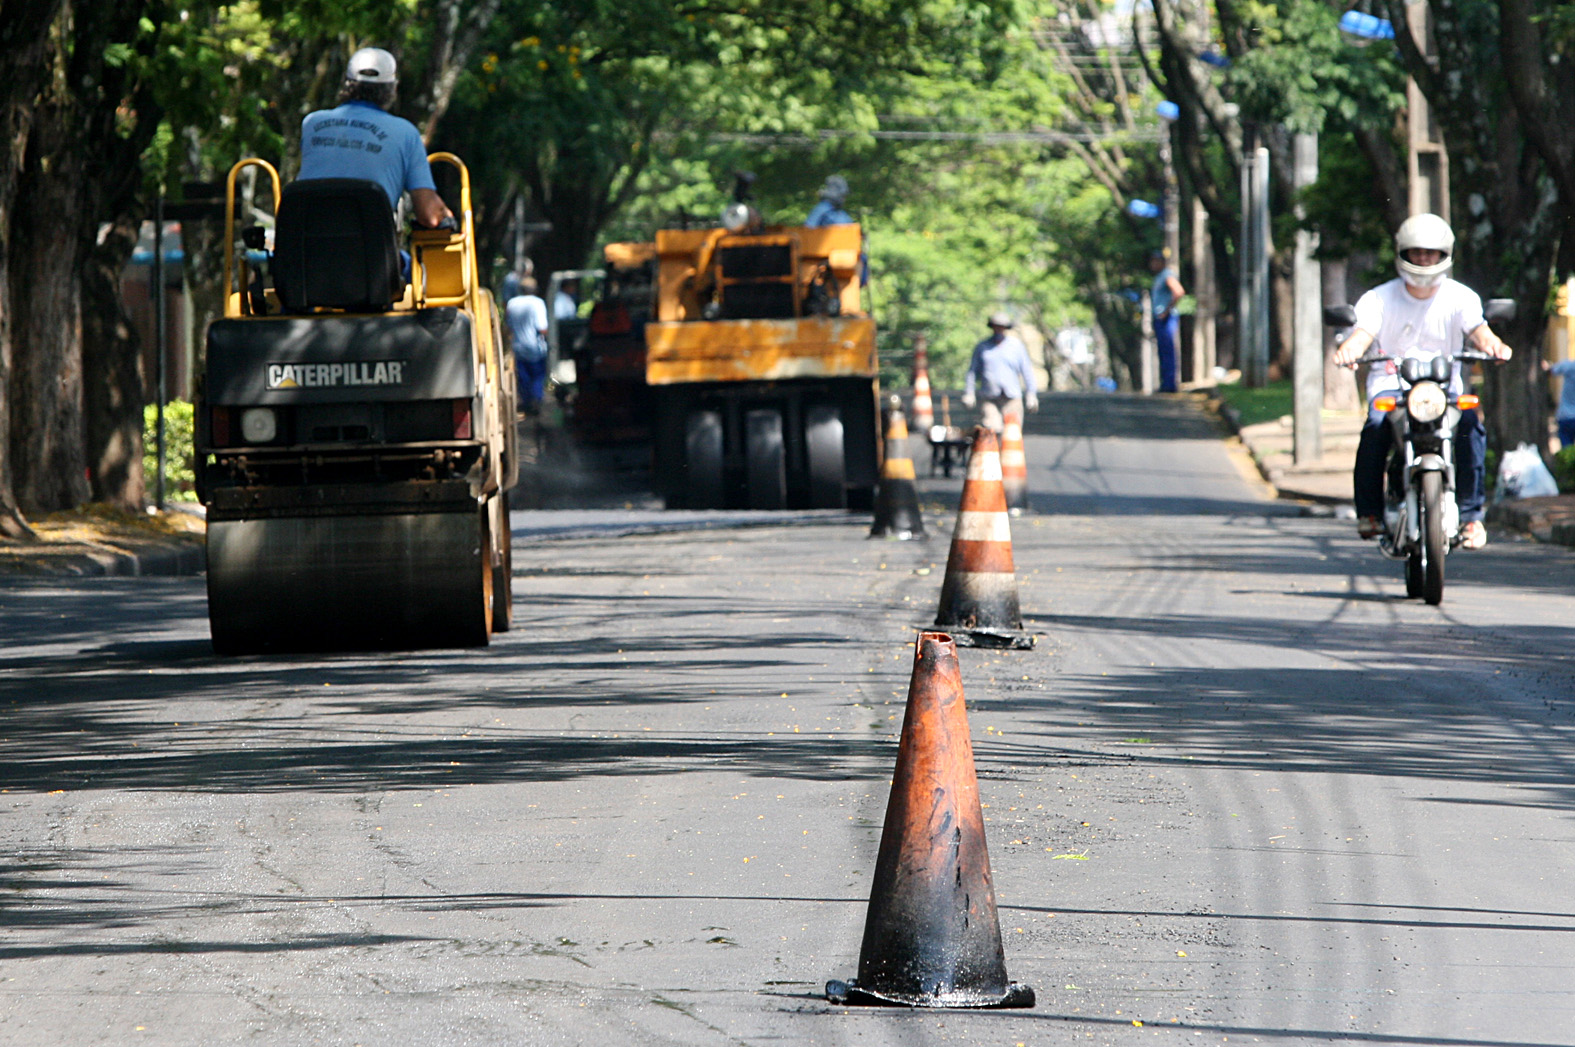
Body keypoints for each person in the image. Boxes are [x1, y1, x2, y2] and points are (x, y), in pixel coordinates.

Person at [1332, 213, 1513, 549]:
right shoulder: (1379, 298)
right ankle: (1369, 513)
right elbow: (1361, 334)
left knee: (1471, 426)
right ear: (1403, 253)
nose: (1424, 259)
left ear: (1444, 255)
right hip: (1392, 390)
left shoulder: (1461, 297)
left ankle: (1472, 518)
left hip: (1445, 393)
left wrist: (1496, 346)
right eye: (1417, 253)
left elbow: (1479, 331)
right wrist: (1348, 351)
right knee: (1374, 426)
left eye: (1431, 253)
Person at [297, 47, 453, 230]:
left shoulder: (312, 123)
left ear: (345, 83)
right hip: (371, 255)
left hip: (305, 251)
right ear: (393, 88)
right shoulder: (405, 133)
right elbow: (430, 216)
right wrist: (445, 214)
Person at [962, 312, 1039, 431]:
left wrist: (1031, 394)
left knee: (1011, 432)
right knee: (992, 429)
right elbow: (972, 372)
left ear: (1006, 328)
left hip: (1012, 398)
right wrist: (969, 393)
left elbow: (1026, 371)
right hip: (989, 397)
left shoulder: (1016, 346)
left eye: (1001, 327)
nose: (998, 329)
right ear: (992, 327)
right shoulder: (983, 347)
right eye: (996, 326)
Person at [506, 277, 550, 415]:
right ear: (535, 289)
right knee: (537, 376)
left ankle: (526, 402)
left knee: (523, 377)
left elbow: (508, 327)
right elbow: (542, 327)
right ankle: (536, 400)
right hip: (535, 347)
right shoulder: (538, 303)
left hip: (518, 347)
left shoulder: (512, 303)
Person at [1148, 251, 1185, 393]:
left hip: (1167, 318)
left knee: (1168, 350)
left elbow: (1179, 291)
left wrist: (1166, 311)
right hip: (1160, 318)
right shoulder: (1159, 277)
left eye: (1155, 261)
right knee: (1163, 351)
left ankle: (1170, 384)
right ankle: (1166, 383)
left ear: (1162, 262)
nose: (1153, 264)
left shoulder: (1167, 275)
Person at [1544, 358, 1575, 449]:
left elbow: (1550, 371)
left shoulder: (1569, 366)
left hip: (1566, 416)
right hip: (1566, 415)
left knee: (1566, 450)